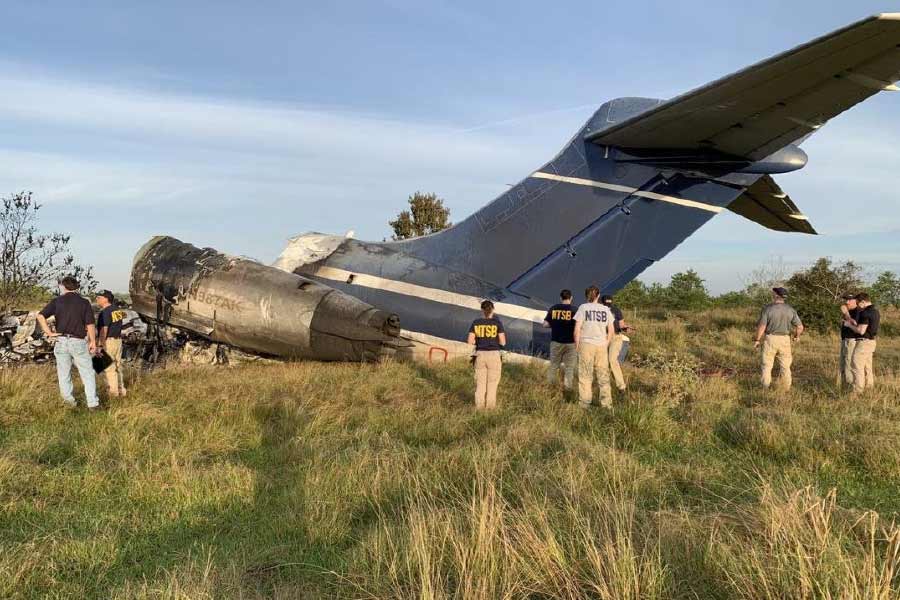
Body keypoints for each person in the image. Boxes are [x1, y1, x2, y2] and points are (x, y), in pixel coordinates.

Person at [36, 276, 100, 410]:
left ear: (63, 287)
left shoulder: (57, 301)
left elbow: (40, 316)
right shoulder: (84, 302)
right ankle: (92, 404)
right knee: (87, 373)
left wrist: (49, 332)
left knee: (64, 374)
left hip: (62, 341)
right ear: (76, 287)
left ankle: (69, 403)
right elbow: (90, 324)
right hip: (78, 341)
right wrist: (93, 341)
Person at [753, 287, 803, 390]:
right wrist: (796, 336)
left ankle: (764, 387)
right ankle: (786, 388)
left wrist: (757, 340)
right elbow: (800, 327)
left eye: (773, 293)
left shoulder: (768, 309)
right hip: (785, 339)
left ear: (776, 295)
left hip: (770, 339)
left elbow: (762, 326)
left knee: (766, 365)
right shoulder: (791, 309)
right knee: (785, 366)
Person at [574, 286, 615, 408]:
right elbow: (611, 330)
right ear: (598, 295)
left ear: (586, 296)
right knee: (603, 375)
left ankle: (585, 403)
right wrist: (606, 343)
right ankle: (606, 404)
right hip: (601, 345)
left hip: (586, 344)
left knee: (585, 375)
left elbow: (577, 329)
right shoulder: (605, 309)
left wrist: (577, 345)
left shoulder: (583, 308)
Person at [467, 300, 506, 409]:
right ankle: (490, 409)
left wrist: (479, 341)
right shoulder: (497, 323)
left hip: (480, 355)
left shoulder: (476, 322)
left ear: (482, 310)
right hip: (494, 355)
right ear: (493, 309)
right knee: (492, 385)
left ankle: (479, 409)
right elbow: (503, 342)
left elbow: (470, 341)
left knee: (480, 384)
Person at [844, 292, 880, 392]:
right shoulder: (875, 311)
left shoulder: (865, 312)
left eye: (858, 303)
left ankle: (857, 390)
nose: (858, 306)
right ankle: (869, 388)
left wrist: (849, 325)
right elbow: (867, 327)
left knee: (856, 365)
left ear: (863, 302)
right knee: (867, 366)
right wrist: (856, 324)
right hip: (872, 342)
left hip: (863, 343)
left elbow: (861, 331)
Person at [543, 289, 577, 392]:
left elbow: (545, 324)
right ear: (571, 298)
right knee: (569, 368)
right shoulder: (575, 310)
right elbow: (579, 326)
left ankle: (551, 388)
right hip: (571, 343)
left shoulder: (554, 308)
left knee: (553, 366)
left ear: (560, 298)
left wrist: (555, 324)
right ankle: (568, 389)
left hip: (556, 341)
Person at [96, 290, 127, 397]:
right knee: (118, 366)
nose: (97, 299)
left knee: (109, 368)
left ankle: (113, 393)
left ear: (105, 299)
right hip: (118, 341)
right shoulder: (117, 310)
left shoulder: (105, 312)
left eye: (99, 297)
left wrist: (100, 345)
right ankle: (121, 390)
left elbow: (104, 329)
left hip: (108, 341)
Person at [601, 294, 630, 393]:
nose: (608, 304)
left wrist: (625, 328)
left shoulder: (616, 310)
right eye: (606, 303)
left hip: (615, 337)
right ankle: (602, 386)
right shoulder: (599, 310)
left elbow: (621, 324)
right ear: (602, 302)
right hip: (602, 337)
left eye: (609, 303)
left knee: (612, 360)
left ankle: (621, 387)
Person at [838, 293, 860, 389]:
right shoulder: (848, 310)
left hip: (852, 340)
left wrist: (847, 315)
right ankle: (843, 386)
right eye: (846, 300)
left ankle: (850, 387)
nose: (847, 302)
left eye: (849, 300)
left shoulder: (858, 311)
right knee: (842, 364)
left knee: (849, 363)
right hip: (845, 340)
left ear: (855, 300)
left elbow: (855, 324)